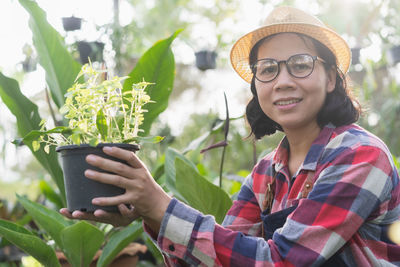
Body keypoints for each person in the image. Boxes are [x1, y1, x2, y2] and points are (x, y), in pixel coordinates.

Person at [60, 6, 400, 266]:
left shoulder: (361, 155)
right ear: (256, 86)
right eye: (268, 69)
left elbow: (281, 260)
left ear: (330, 79)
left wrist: (162, 207)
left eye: (300, 64)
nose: (282, 81)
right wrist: (147, 212)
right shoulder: (266, 173)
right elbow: (223, 255)